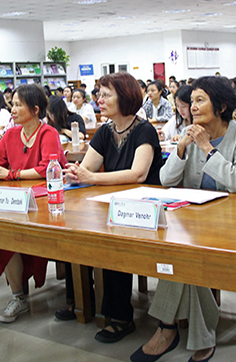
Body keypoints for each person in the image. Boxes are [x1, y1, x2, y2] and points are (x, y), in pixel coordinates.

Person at [133, 76, 236, 362]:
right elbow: (165, 180)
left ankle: (167, 329)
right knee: (180, 253)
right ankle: (201, 337)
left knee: (185, 257)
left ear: (221, 106)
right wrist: (181, 148)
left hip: (233, 224)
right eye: (192, 101)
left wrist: (207, 148)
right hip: (193, 220)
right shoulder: (188, 133)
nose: (193, 106)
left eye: (201, 100)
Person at [62, 72, 164, 343]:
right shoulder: (106, 131)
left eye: (107, 95)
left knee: (113, 242)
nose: (99, 99)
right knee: (76, 232)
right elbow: (87, 168)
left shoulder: (144, 130)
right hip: (113, 204)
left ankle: (120, 317)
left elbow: (138, 174)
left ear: (125, 97)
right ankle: (79, 301)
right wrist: (75, 173)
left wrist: (92, 178)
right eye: (99, 94)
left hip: (145, 209)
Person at [0, 84, 68, 323]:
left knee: (8, 232)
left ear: (35, 109)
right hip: (15, 201)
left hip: (45, 203)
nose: (13, 109)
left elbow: (47, 168)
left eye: (19, 105)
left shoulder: (48, 133)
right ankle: (16, 295)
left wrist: (11, 174)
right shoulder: (11, 134)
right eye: (12, 104)